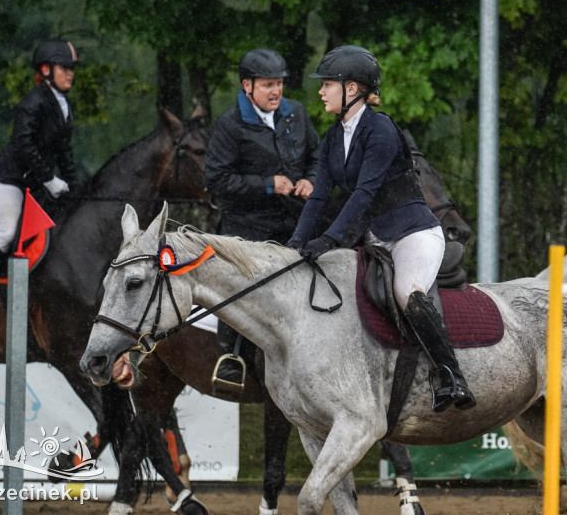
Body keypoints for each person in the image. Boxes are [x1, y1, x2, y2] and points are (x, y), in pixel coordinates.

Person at [287, 45, 476, 412]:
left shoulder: (382, 129)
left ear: (352, 89)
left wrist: (328, 240)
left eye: (328, 84)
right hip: (373, 239)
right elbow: (318, 198)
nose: (321, 91)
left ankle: (449, 374)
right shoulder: (332, 138)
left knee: (408, 291)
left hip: (412, 233)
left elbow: (363, 194)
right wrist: (294, 245)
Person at [204, 48, 320, 391]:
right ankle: (232, 356)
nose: (276, 91)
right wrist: (267, 185)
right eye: (268, 84)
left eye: (280, 84)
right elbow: (217, 180)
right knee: (241, 288)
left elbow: (316, 155)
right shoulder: (229, 125)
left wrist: (310, 179)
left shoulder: (296, 114)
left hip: (294, 221)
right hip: (247, 226)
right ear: (247, 86)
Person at [0, 39, 78, 320]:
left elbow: (64, 150)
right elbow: (23, 145)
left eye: (72, 69)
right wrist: (50, 179)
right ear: (46, 69)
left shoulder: (63, 104)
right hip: (7, 180)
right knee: (7, 233)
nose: (70, 73)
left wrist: (75, 186)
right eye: (65, 68)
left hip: (32, 183)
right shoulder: (33, 101)